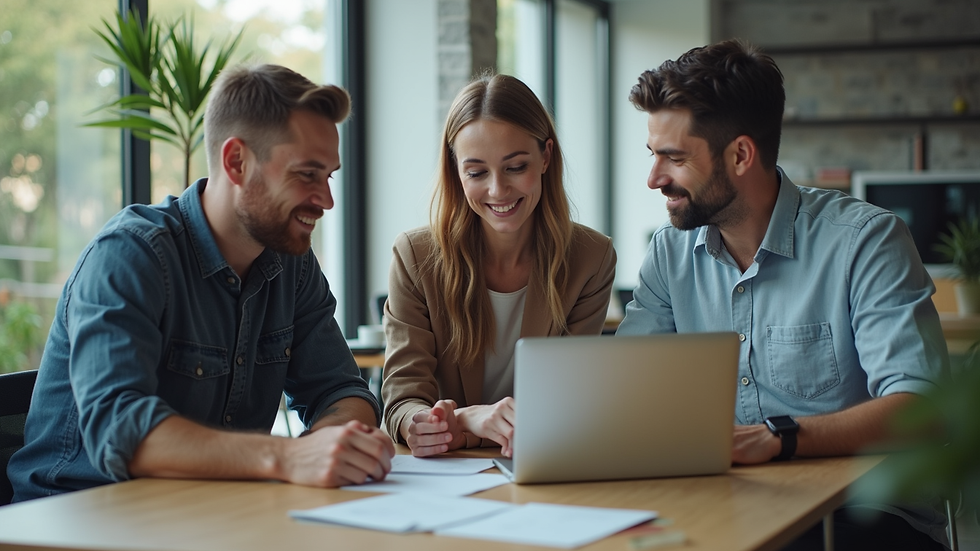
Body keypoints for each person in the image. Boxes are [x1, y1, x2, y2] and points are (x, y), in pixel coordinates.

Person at [616, 40, 950, 550]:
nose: (654, 178)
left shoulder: (865, 242)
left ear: (741, 154)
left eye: (673, 158)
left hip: (862, 512)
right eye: (653, 155)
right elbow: (628, 391)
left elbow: (919, 410)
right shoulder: (670, 254)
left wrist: (780, 438)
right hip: (722, 505)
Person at [8, 64, 394, 502]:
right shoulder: (130, 255)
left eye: (328, 176)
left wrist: (331, 446)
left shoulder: (291, 264)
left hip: (207, 510)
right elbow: (120, 427)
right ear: (236, 162)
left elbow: (341, 391)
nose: (326, 200)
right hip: (75, 519)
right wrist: (288, 458)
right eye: (307, 174)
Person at [381, 74, 616, 458]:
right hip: (446, 475)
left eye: (515, 166)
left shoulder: (591, 258)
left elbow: (566, 403)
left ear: (545, 157)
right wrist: (429, 424)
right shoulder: (415, 256)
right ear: (456, 172)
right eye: (476, 172)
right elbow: (402, 401)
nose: (497, 190)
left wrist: (468, 428)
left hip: (539, 462)